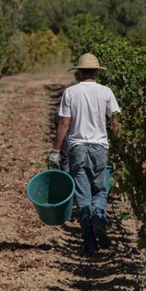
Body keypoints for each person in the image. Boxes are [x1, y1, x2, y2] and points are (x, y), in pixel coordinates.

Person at [48, 53, 121, 256]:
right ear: (97, 71)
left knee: (83, 195)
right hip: (99, 148)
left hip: (77, 149)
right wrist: (121, 145)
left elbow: (64, 123)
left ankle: (89, 243)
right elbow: (115, 122)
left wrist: (55, 150)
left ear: (79, 71)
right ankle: (99, 220)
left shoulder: (71, 92)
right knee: (100, 190)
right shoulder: (106, 92)